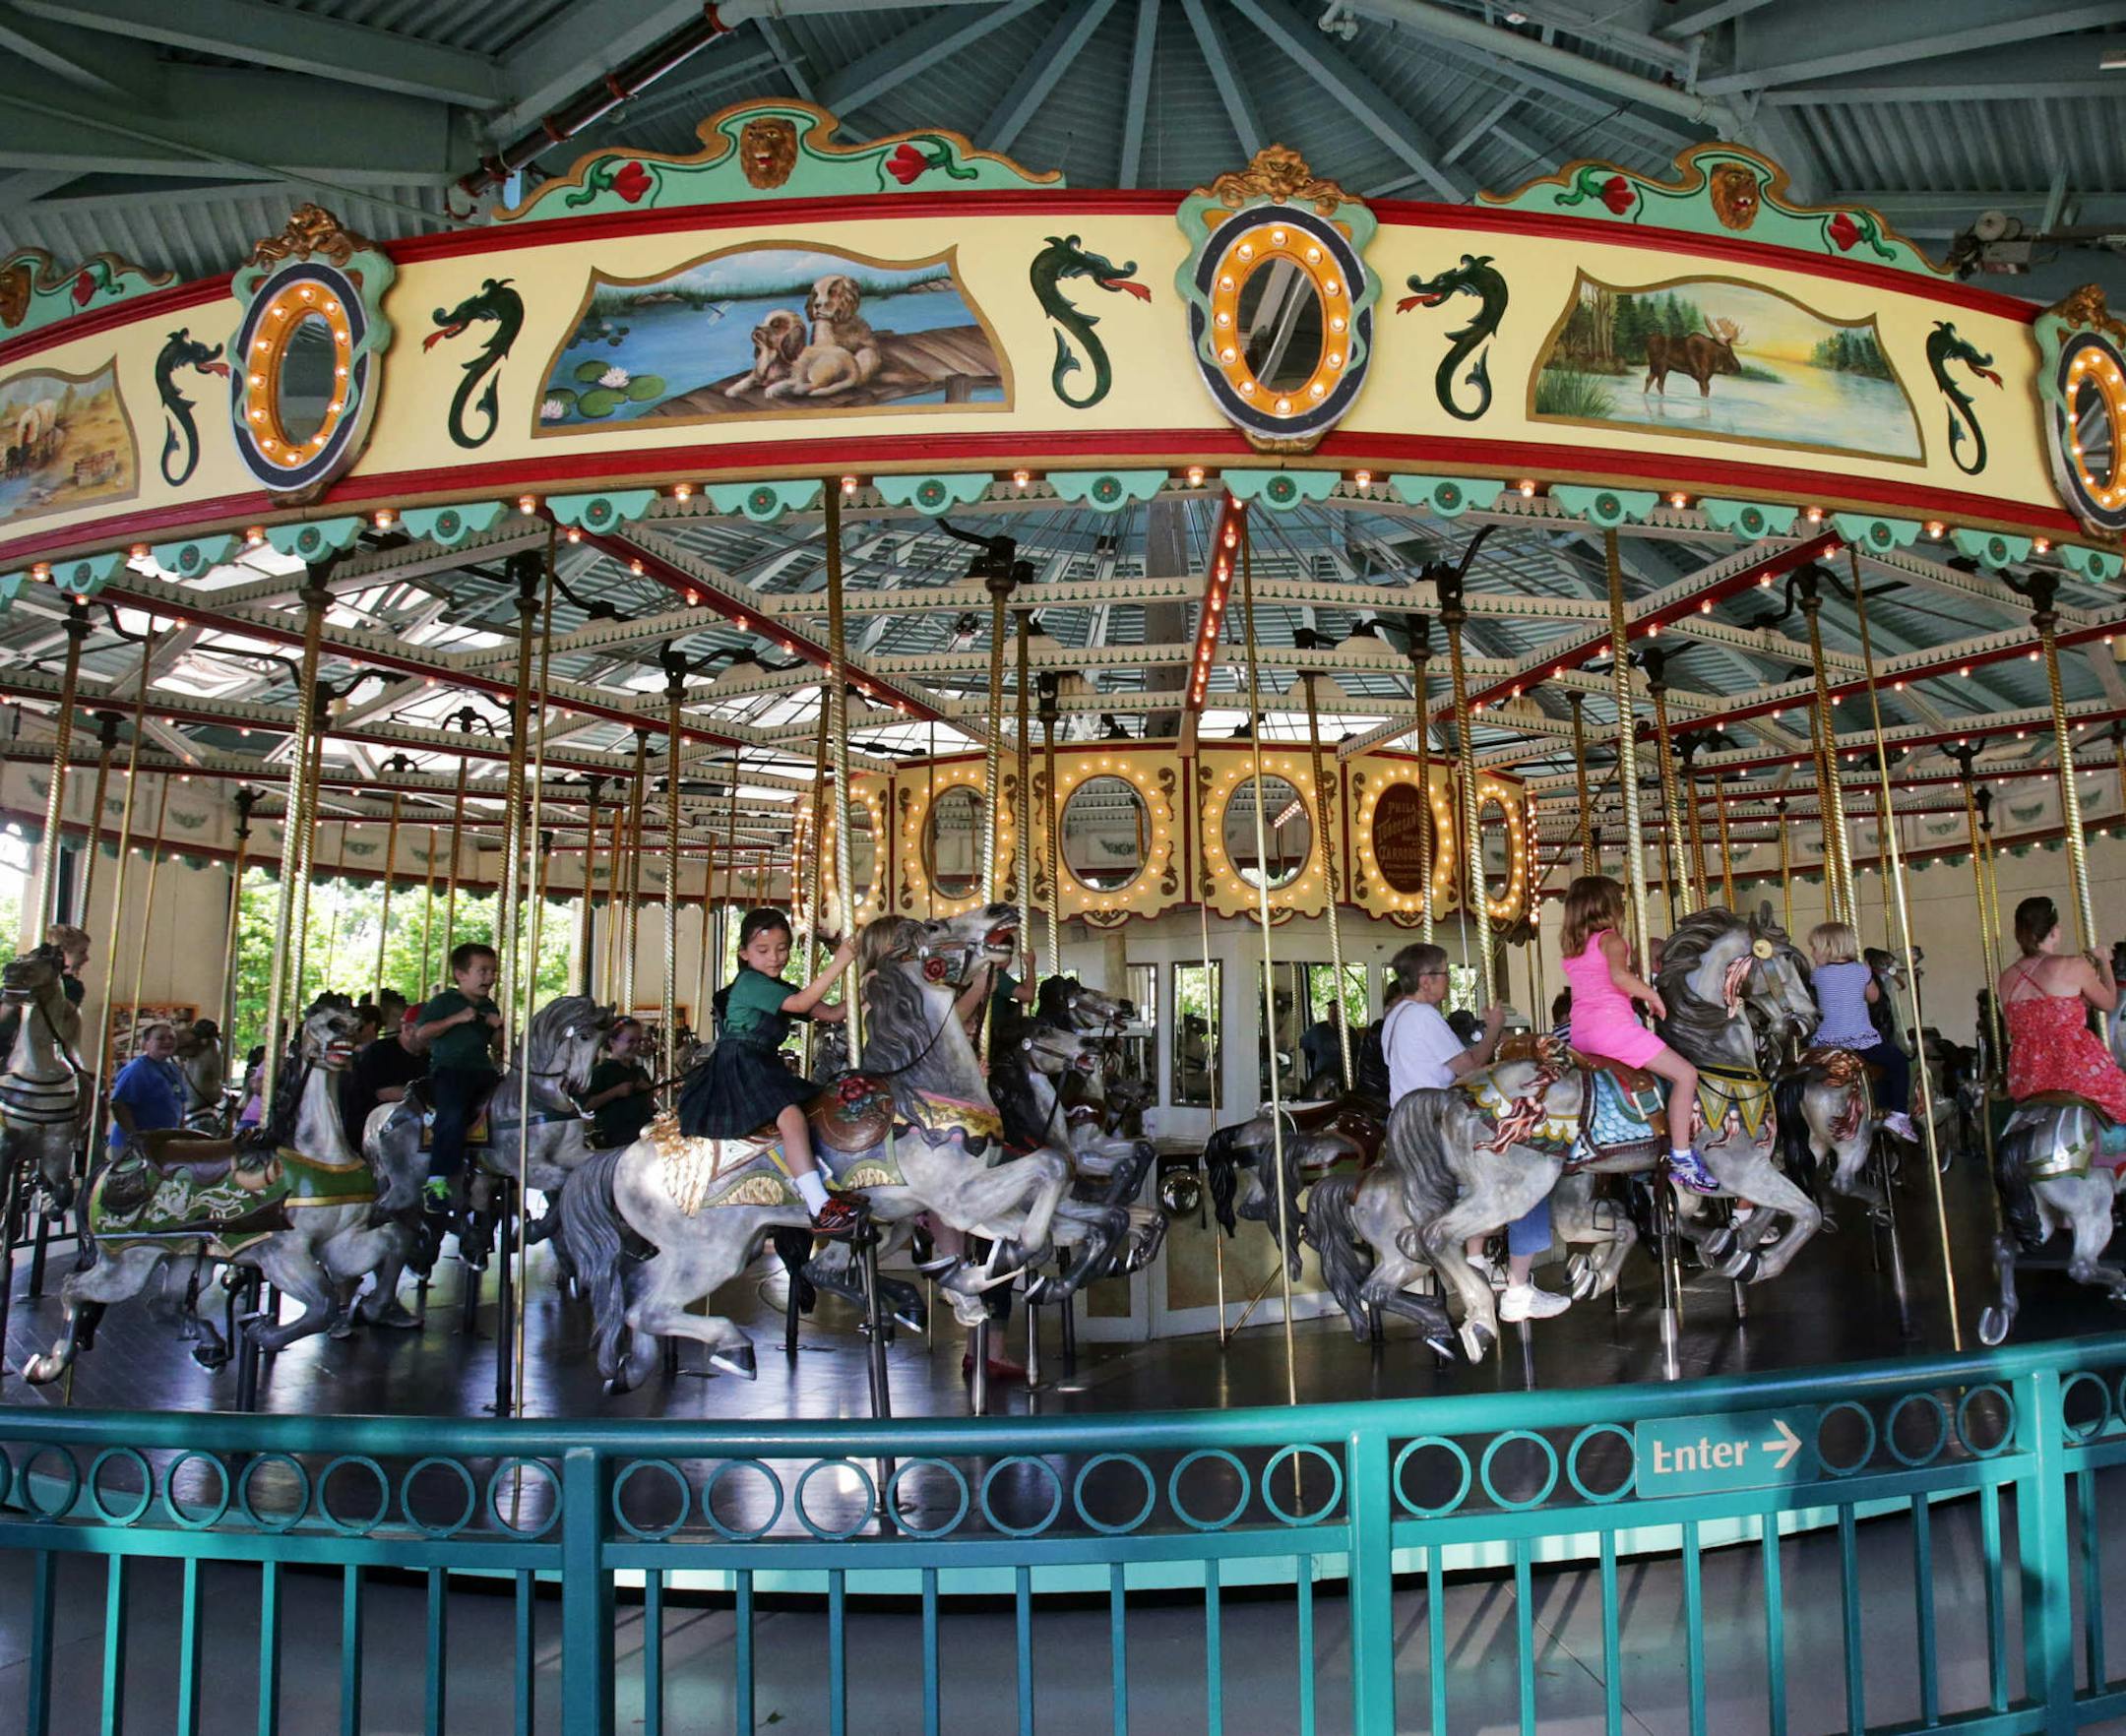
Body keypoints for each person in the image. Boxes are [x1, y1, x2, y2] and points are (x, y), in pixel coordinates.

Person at [1383, 942, 1569, 1322]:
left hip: (1411, 1127)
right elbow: (1469, 1069)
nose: (1448, 981)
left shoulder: (1395, 1017)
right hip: (1439, 1126)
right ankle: (1518, 1288)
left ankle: (1477, 1258)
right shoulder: (1423, 1016)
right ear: (1425, 980)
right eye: (1444, 973)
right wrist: (1495, 1028)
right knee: (1531, 1168)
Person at [680, 907, 862, 1236]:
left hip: (762, 1061)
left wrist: (866, 990)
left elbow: (834, 1014)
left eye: (782, 949)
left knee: (815, 1109)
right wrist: (840, 962)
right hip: (741, 1061)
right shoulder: (750, 983)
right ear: (744, 954)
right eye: (763, 950)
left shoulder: (775, 987)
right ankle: (819, 1206)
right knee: (790, 1116)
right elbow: (801, 1004)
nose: (775, 957)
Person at [1557, 875, 1704, 1187]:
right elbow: (1619, 977)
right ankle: (1682, 1156)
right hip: (1613, 1030)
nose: (1622, 907)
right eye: (1619, 901)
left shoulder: (1574, 948)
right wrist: (1652, 995)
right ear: (1607, 906)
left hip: (1581, 1034)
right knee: (1686, 1074)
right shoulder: (1611, 939)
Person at [1998, 896, 2126, 1123]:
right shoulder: (2073, 965)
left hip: (2027, 1073)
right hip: (2072, 1066)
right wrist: (2104, 962)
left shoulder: (2006, 978)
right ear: (2054, 930)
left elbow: (2015, 1026)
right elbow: (2108, 1003)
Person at [414, 943, 503, 1211]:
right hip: (451, 1071)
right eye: (482, 971)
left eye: (493, 971)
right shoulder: (444, 1002)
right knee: (452, 1115)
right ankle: (437, 1180)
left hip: (484, 1072)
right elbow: (421, 1034)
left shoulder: (489, 1006)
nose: (490, 977)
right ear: (461, 974)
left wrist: (500, 1028)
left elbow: (498, 1046)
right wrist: (456, 1019)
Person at [1807, 922, 1914, 1142]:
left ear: (1829, 948)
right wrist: (1868, 974)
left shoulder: (1817, 975)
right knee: (1899, 1061)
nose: (1812, 953)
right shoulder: (1861, 971)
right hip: (1861, 1042)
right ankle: (1899, 1114)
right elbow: (1874, 998)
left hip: (1825, 1045)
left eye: (1815, 948)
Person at [342, 988, 424, 1147]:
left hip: (409, 1125)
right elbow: (385, 1093)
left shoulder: (427, 1057)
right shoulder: (380, 1051)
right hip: (371, 1127)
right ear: (408, 1029)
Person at [107, 1020, 184, 1151]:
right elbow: (118, 1105)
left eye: (172, 1038)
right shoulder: (137, 1069)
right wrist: (135, 1136)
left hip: (163, 1142)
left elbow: (180, 1102)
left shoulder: (173, 1069)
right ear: (145, 1044)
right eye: (161, 1038)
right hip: (135, 1145)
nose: (168, 1042)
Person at [583, 1017, 657, 1149]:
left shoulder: (639, 1071)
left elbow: (650, 1103)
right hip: (615, 1136)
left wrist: (648, 1090)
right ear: (612, 1042)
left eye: (639, 1041)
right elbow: (587, 1105)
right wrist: (615, 1092)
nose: (636, 1045)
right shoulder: (601, 1072)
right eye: (630, 1041)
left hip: (642, 1133)